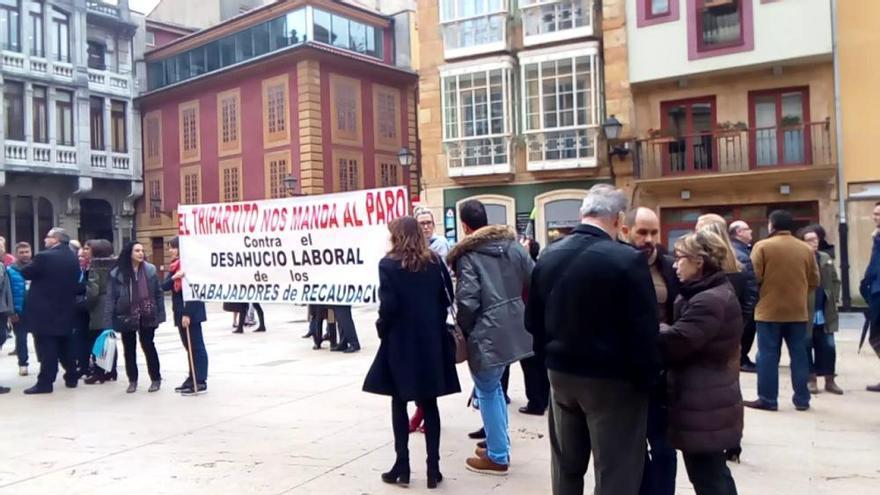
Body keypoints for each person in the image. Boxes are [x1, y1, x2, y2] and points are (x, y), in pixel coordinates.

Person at [525, 185, 659, 495]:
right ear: (618, 219)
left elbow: (532, 319)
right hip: (612, 380)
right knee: (616, 469)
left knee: (565, 466)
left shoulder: (549, 254)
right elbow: (643, 330)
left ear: (583, 214)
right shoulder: (627, 259)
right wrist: (649, 379)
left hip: (561, 373)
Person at [363, 216, 461, 489]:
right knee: (430, 403)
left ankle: (402, 466)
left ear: (397, 236)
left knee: (398, 402)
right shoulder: (435, 262)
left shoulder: (388, 264)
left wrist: (382, 328)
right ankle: (433, 469)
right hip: (431, 340)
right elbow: (448, 298)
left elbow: (389, 306)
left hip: (401, 341)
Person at [447, 199, 533, 475]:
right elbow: (534, 278)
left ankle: (497, 456)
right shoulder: (514, 247)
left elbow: (468, 301)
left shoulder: (469, 255)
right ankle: (499, 443)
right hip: (515, 326)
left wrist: (465, 328)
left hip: (486, 331)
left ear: (464, 225)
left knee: (487, 390)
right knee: (495, 389)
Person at [660, 231, 742, 495]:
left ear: (699, 261)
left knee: (708, 477)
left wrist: (648, 325)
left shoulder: (709, 300)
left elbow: (677, 341)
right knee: (712, 473)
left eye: (680, 257)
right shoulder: (707, 291)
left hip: (704, 401)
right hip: (707, 395)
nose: (674, 264)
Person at [621, 207, 678, 495]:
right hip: (626, 372)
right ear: (626, 231)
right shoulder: (616, 266)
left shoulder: (669, 267)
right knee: (634, 448)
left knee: (665, 447)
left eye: (654, 232)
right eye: (642, 232)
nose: (649, 238)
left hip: (662, 370)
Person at [745, 210, 819, 412]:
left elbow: (754, 277)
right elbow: (814, 280)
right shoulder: (805, 249)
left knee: (768, 355)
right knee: (799, 355)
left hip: (768, 311)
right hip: (797, 312)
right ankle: (802, 399)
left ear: (771, 225)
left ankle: (768, 399)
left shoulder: (762, 246)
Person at [21, 228, 81, 395]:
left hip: (44, 311)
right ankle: (72, 377)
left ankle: (45, 382)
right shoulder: (72, 257)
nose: (45, 240)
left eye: (47, 237)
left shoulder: (43, 256)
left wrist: (23, 262)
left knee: (47, 348)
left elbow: (26, 273)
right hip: (66, 308)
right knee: (65, 345)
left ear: (55, 239)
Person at [104, 241, 166, 394]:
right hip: (126, 314)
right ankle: (133, 380)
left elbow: (158, 293)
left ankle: (155, 378)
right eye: (137, 250)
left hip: (147, 313)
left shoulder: (150, 270)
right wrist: (108, 320)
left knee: (148, 346)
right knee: (129, 349)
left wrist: (160, 315)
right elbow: (110, 297)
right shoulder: (117, 273)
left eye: (142, 251)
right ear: (129, 253)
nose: (141, 253)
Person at [799, 226, 842, 395]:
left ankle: (830, 380)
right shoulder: (800, 259)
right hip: (806, 310)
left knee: (829, 347)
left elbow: (835, 280)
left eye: (815, 239)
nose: (814, 243)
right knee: (806, 345)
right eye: (809, 240)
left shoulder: (825, 258)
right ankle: (811, 380)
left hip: (825, 310)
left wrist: (834, 297)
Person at [163, 236, 209, 395]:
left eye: (173, 247)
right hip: (179, 311)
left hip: (191, 312)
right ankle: (192, 376)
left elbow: (195, 292)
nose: (170, 251)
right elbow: (164, 286)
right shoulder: (175, 267)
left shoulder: (191, 267)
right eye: (170, 247)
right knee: (188, 347)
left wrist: (188, 313)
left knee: (196, 346)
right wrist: (175, 277)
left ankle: (200, 380)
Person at [518, 236, 549, 416]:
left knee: (531, 364)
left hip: (530, 320)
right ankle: (542, 399)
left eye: (523, 245)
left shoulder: (530, 270)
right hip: (537, 320)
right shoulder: (537, 267)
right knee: (537, 363)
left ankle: (536, 402)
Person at [83, 239, 118, 384]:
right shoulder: (115, 264)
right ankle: (111, 370)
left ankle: (98, 371)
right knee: (109, 339)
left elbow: (93, 291)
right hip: (113, 303)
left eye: (87, 249)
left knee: (97, 339)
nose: (84, 251)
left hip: (100, 306)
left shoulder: (96, 266)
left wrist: (85, 304)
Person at [729, 220, 759, 372]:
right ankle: (741, 359)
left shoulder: (739, 250)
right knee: (745, 333)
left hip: (738, 302)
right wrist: (750, 308)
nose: (751, 232)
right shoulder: (742, 254)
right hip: (745, 305)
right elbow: (750, 285)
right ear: (739, 232)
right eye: (748, 229)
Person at [863, 201, 880, 392]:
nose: (875, 217)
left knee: (876, 336)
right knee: (876, 336)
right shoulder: (877, 237)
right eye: (874, 214)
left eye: (879, 214)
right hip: (875, 292)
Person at [7, 242, 32, 376]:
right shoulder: (10, 270)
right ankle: (23, 364)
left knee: (41, 338)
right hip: (18, 310)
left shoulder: (37, 267)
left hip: (36, 310)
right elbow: (8, 292)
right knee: (21, 338)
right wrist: (11, 312)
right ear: (16, 254)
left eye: (27, 251)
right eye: (21, 252)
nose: (24, 255)